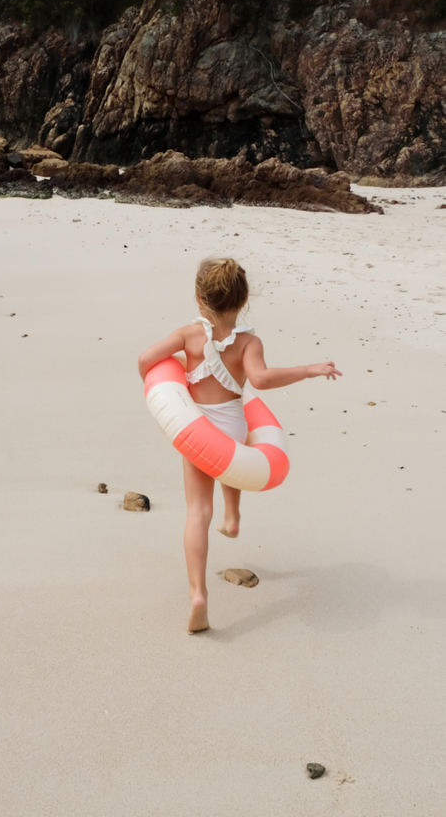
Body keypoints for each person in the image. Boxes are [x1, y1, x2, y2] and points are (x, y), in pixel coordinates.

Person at [137, 258, 342, 634]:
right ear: (244, 300)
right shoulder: (249, 342)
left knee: (198, 511)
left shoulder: (188, 335)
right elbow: (261, 381)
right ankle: (232, 518)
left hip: (195, 426)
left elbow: (146, 359)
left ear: (200, 300)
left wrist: (162, 388)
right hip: (231, 425)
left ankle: (198, 594)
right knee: (233, 461)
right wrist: (309, 369)